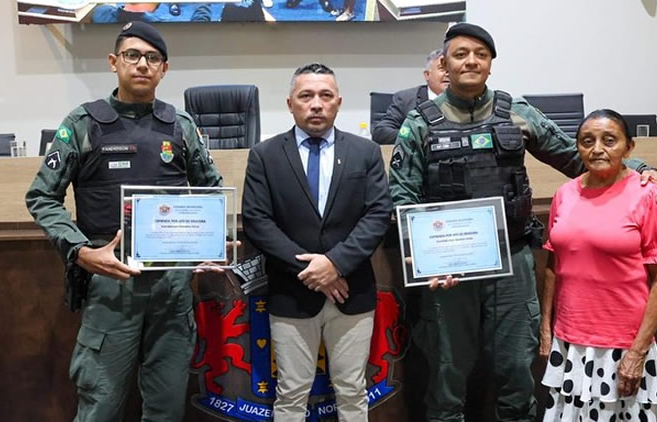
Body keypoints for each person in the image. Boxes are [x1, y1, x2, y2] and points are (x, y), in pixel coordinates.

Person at [388, 23, 657, 422]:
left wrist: (644, 170)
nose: (471, 60)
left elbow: (577, 158)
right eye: (460, 54)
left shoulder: (516, 113)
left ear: (490, 65)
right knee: (445, 375)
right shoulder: (418, 124)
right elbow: (401, 199)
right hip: (448, 274)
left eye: (481, 55)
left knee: (517, 371)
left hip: (513, 262)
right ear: (444, 65)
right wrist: (424, 263)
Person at [26, 22, 222, 421]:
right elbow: (41, 197)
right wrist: (81, 252)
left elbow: (212, 190)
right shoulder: (83, 124)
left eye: (152, 58)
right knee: (101, 405)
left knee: (167, 407)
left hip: (172, 287)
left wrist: (206, 242)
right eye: (132, 55)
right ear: (114, 63)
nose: (142, 65)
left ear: (164, 69)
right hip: (112, 283)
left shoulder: (180, 126)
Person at [242, 63, 392, 421]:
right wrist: (314, 269)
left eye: (325, 95)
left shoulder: (365, 152)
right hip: (292, 292)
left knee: (353, 391)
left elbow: (377, 216)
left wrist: (335, 263)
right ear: (290, 103)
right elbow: (257, 222)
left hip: (351, 292)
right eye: (306, 95)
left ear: (338, 102)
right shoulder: (265, 155)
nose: (316, 104)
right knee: (291, 393)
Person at [538, 109, 657, 421]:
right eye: (587, 141)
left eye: (609, 140)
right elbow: (553, 263)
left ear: (629, 148)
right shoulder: (564, 194)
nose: (597, 148)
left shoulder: (647, 195)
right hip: (570, 339)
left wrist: (638, 352)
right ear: (578, 147)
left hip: (623, 343)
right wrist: (546, 328)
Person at [371, 49, 450, 145]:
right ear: (427, 75)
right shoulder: (406, 99)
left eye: (452, 69)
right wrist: (413, 136)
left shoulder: (469, 99)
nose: (448, 74)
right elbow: (381, 132)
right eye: (442, 68)